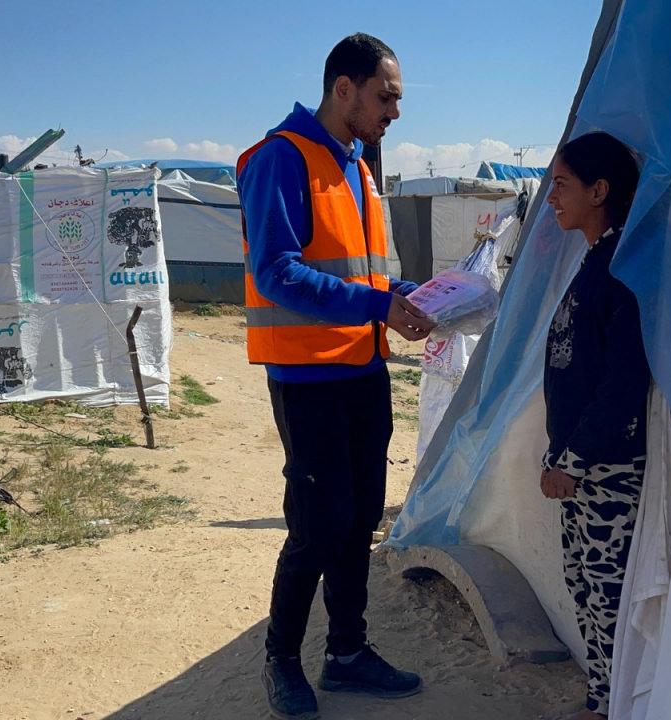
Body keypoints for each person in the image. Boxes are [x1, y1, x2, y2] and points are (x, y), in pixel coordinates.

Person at [236, 32, 433, 720]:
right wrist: (381, 301)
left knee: (356, 524)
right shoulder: (281, 159)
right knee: (318, 525)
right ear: (342, 89)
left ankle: (347, 652)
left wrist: (415, 293)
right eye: (386, 97)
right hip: (307, 376)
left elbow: (362, 271)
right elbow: (278, 272)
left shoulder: (356, 166)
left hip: (362, 368)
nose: (394, 112)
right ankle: (281, 658)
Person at [540, 132, 649, 720]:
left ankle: (610, 706)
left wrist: (573, 461)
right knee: (585, 591)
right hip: (579, 469)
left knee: (608, 599)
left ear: (599, 190)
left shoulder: (620, 268)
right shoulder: (596, 260)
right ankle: (600, 700)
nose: (551, 197)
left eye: (561, 184)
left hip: (607, 473)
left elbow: (623, 383)